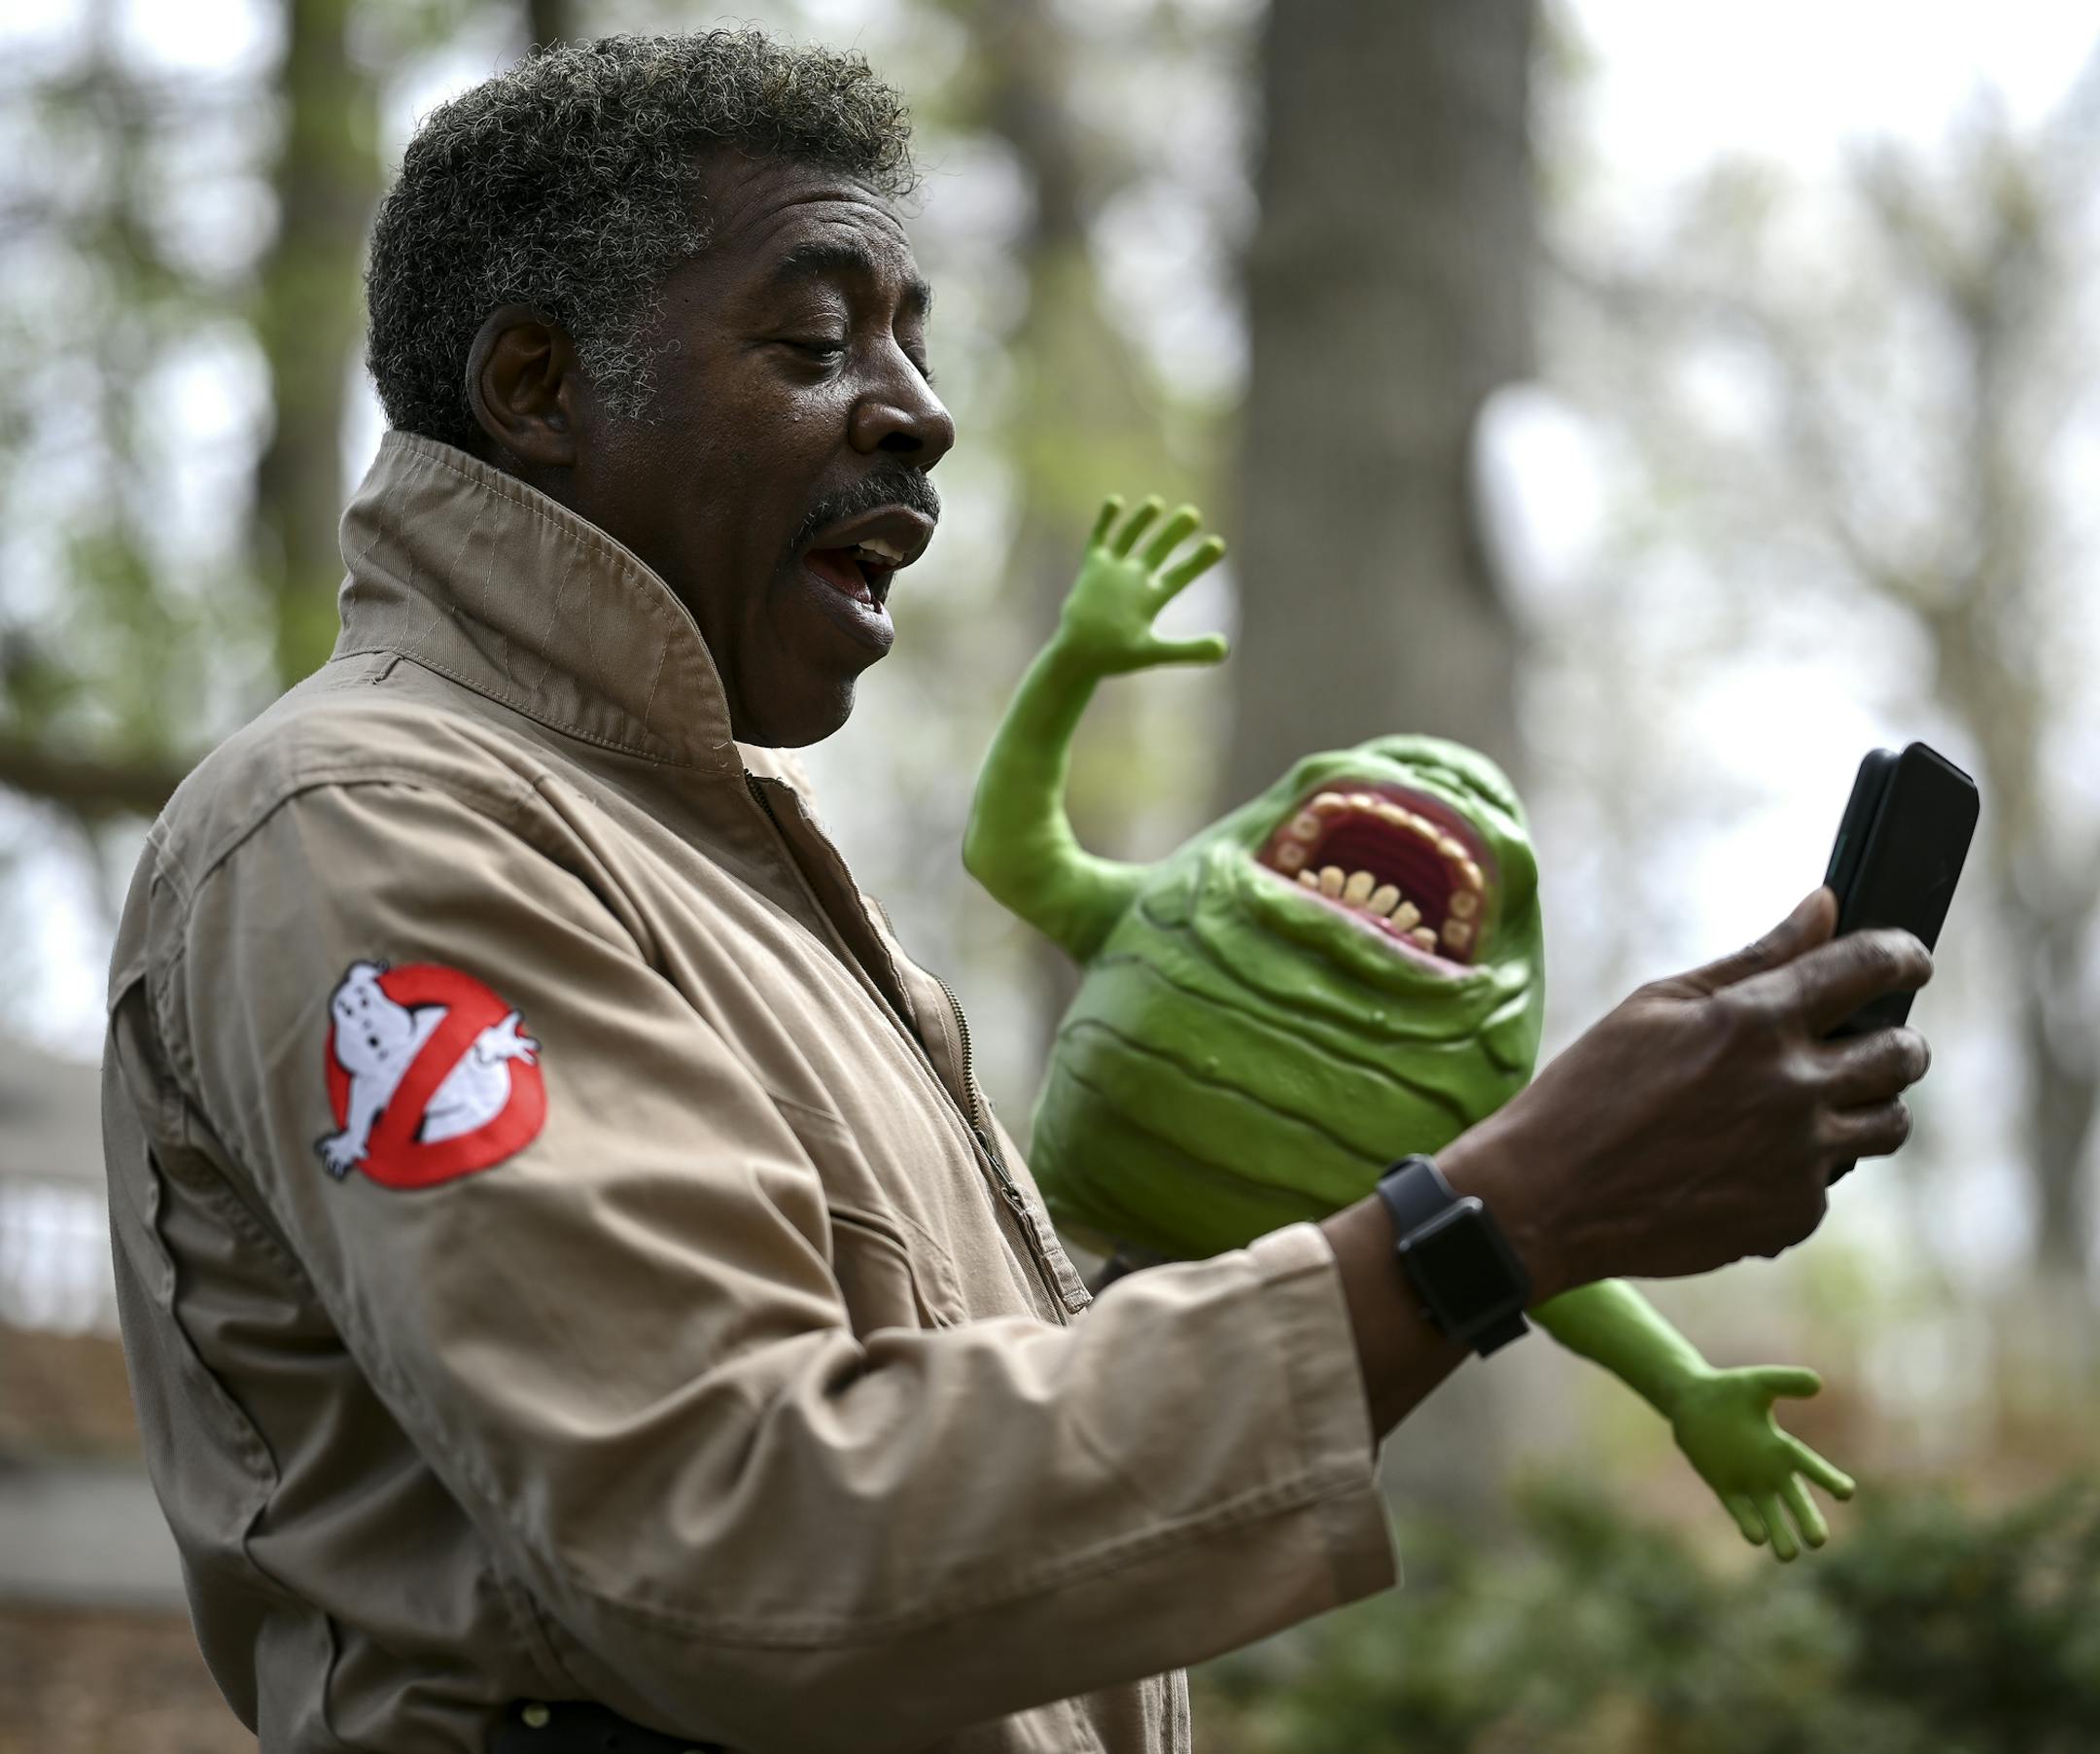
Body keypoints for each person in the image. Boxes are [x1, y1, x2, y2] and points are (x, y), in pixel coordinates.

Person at [99, 31, 1935, 1754]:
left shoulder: (745, 877)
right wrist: (1484, 1226)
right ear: (538, 388)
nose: (923, 416)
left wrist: (1399, 1201)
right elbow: (730, 1541)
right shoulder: (370, 832)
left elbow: (951, 1480)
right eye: (817, 341)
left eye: (914, 340)